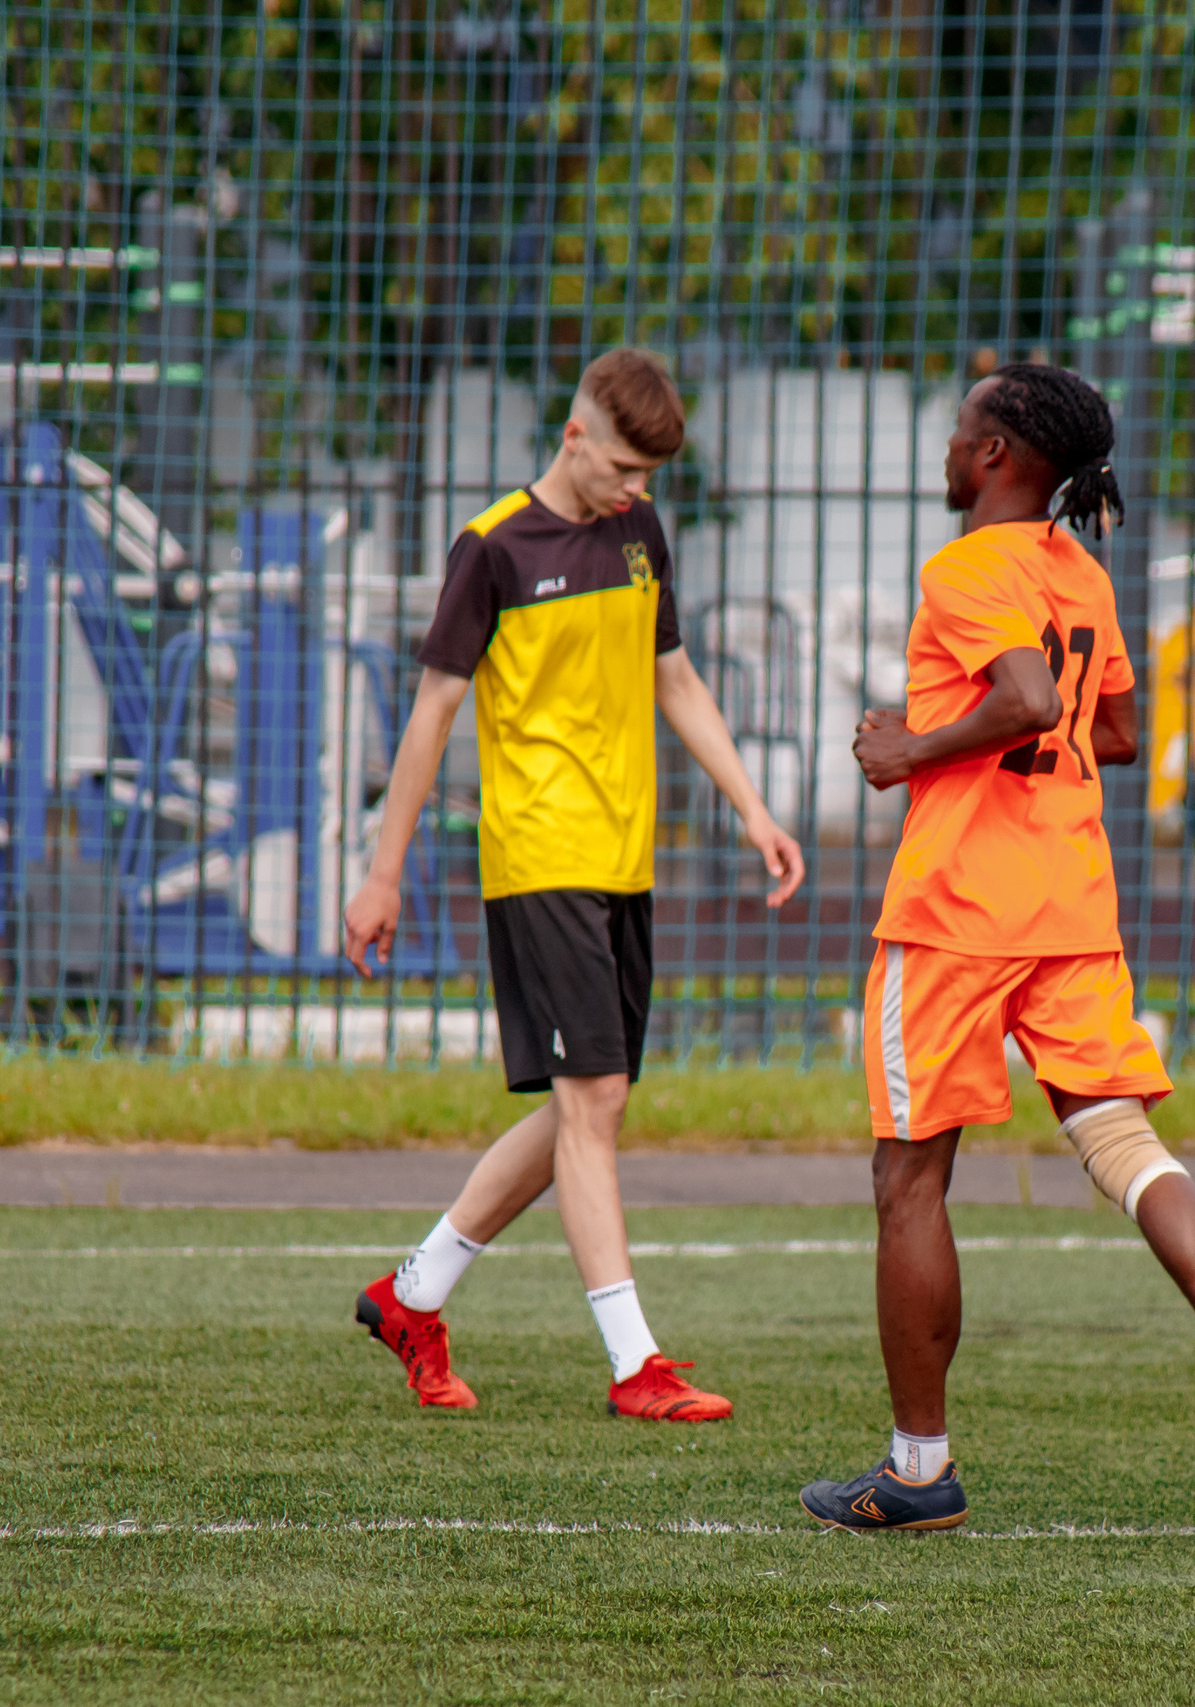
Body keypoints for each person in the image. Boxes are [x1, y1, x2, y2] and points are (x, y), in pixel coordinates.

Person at [798, 363, 1195, 1532]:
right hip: (1071, 902)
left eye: (958, 427)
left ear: (993, 457)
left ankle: (918, 1471)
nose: (946, 445)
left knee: (909, 1178)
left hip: (958, 915)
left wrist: (910, 747)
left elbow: (1030, 700)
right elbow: (1116, 728)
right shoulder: (1078, 570)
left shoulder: (967, 566)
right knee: (1120, 1136)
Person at [342, 348, 805, 1422]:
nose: (636, 491)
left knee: (586, 1106)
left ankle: (413, 1296)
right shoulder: (493, 548)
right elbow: (430, 719)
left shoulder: (638, 533)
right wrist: (381, 873)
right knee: (592, 1102)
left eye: (650, 476)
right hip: (538, 856)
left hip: (621, 859)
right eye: (624, 468)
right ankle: (636, 1364)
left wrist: (753, 809)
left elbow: (673, 678)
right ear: (574, 438)